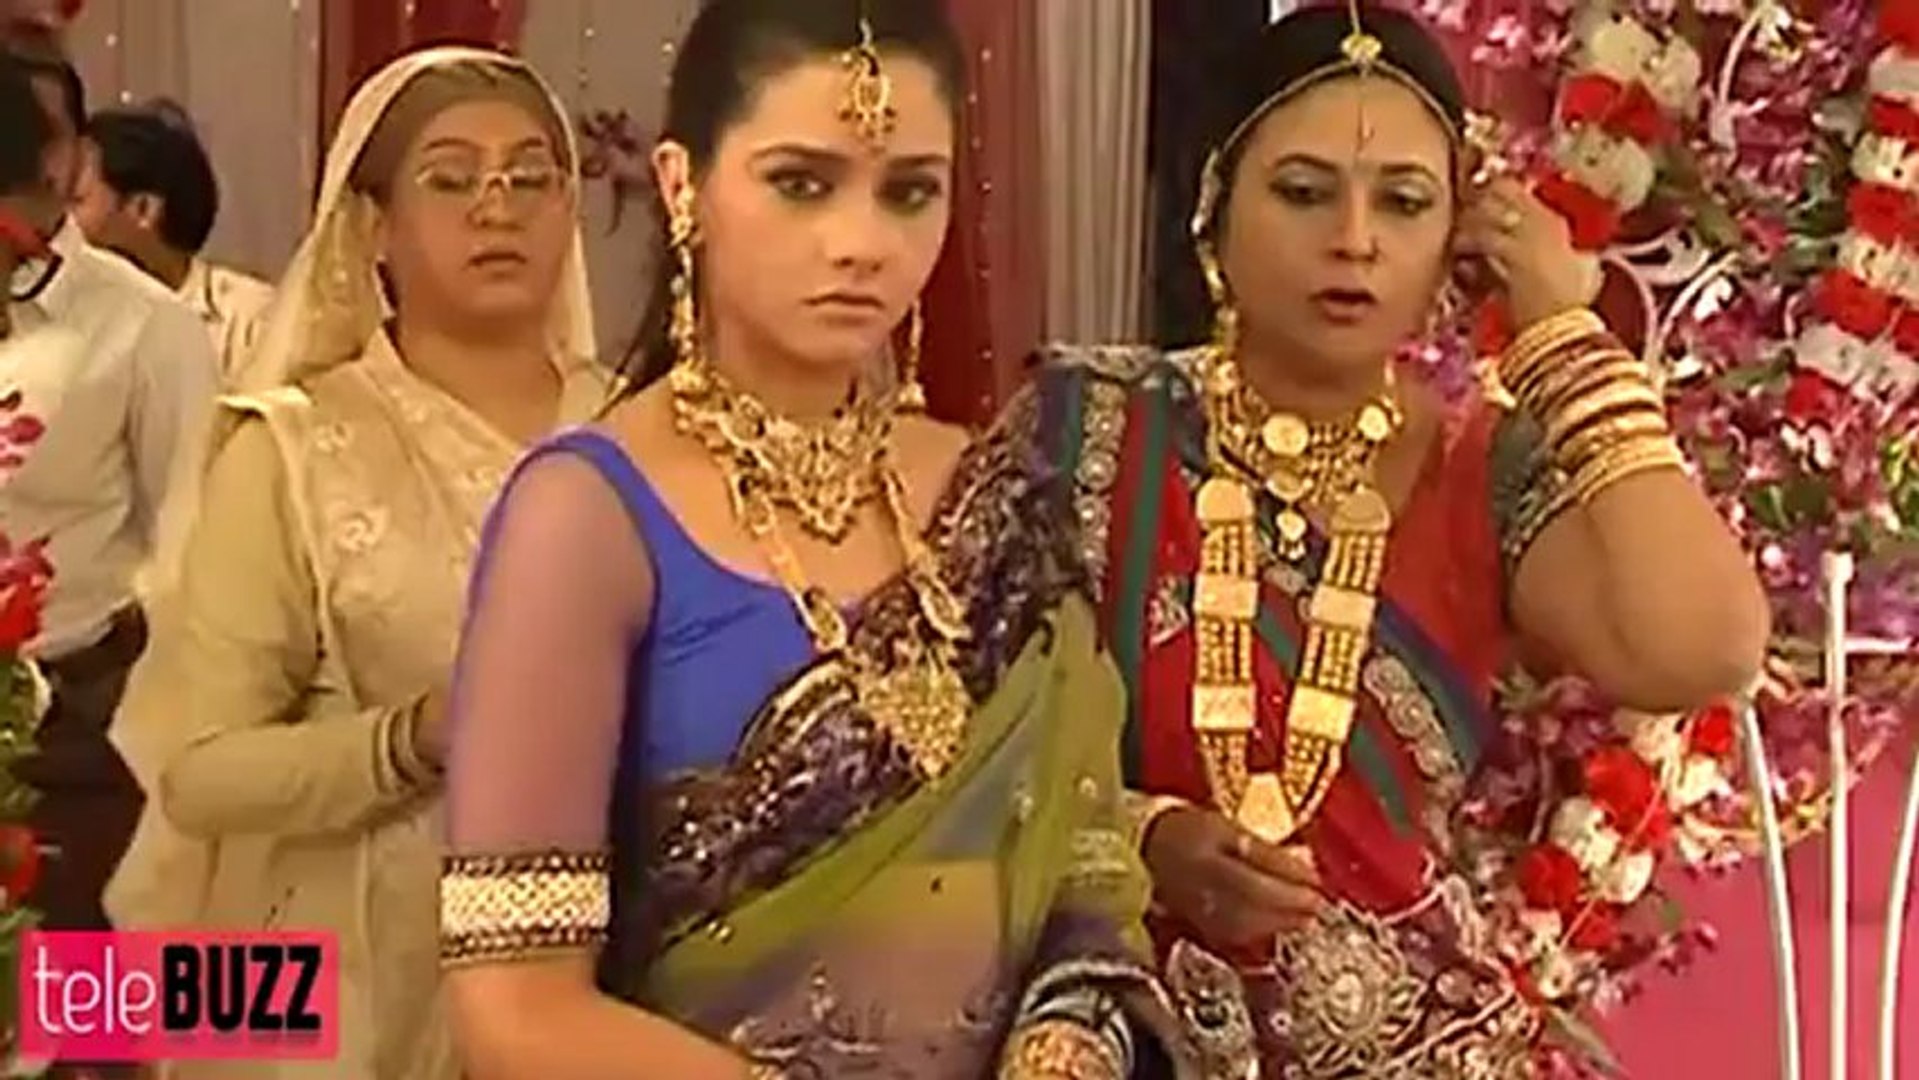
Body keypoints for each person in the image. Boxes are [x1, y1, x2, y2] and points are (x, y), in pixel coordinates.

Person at [434, 2, 1255, 1078]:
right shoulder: (583, 518)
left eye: (908, 191)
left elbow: (1083, 881)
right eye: (801, 183)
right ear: (682, 188)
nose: (862, 243)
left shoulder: (997, 494)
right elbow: (515, 1013)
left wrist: (1061, 1053)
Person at [1035, 4, 1771, 1075]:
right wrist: (1140, 836)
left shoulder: (1478, 470)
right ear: (1212, 210)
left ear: (1454, 237)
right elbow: (948, 759)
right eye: (1302, 192)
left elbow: (1703, 647)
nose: (1354, 238)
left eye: (1404, 201)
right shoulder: (1084, 430)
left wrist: (1563, 333)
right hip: (1116, 1038)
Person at [105, 45, 604, 1080]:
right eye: (451, 179)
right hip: (353, 994)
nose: (497, 207)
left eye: (530, 178)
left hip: (610, 973)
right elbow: (200, 772)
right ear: (373, 226)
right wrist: (411, 740)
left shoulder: (646, 433)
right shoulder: (292, 450)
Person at [0, 46, 217, 953]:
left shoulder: (144, 325)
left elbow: (193, 548)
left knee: (85, 998)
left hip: (76, 730)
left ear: (64, 163)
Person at [74, 101, 275, 380]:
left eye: (76, 201)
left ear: (144, 209)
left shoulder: (249, 320)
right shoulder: (59, 318)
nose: (62, 221)